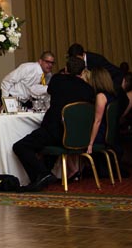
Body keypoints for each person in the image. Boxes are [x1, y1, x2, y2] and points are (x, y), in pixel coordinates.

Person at [13, 56, 95, 190]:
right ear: (82, 72)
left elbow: (50, 91)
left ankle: (42, 175)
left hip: (54, 131)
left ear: (66, 68)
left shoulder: (57, 80)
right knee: (43, 146)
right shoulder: (89, 89)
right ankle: (41, 178)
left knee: (21, 146)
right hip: (75, 137)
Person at [86, 68, 117, 153]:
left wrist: (90, 144)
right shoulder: (112, 96)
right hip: (111, 134)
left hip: (101, 135)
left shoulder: (101, 96)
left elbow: (98, 121)